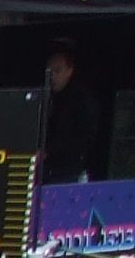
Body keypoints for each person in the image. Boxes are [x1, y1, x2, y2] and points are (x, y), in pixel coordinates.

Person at [41, 44, 108, 186]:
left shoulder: (82, 100)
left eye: (57, 71)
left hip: (70, 173)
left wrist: (50, 152)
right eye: (49, 72)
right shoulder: (45, 98)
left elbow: (84, 139)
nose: (52, 77)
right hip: (46, 173)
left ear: (69, 71)